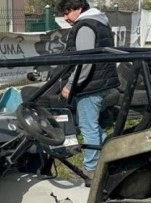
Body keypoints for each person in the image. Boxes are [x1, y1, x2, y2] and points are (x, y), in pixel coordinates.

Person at [56, 0, 119, 182]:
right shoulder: (99, 22)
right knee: (91, 125)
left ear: (78, 8)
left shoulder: (85, 26)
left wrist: (70, 85)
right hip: (101, 82)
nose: (65, 18)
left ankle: (91, 170)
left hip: (90, 86)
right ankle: (110, 154)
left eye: (67, 12)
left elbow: (85, 60)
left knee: (88, 127)